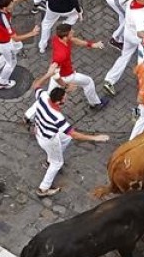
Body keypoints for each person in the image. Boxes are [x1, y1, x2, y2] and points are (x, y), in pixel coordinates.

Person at [30, 63, 109, 197]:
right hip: (49, 139)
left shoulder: (43, 96)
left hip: (41, 131)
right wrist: (96, 138)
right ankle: (43, 188)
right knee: (57, 163)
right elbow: (75, 134)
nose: (66, 99)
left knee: (66, 138)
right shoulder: (57, 117)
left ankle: (51, 158)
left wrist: (49, 74)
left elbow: (36, 85)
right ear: (59, 101)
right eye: (64, 98)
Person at [50, 24, 108, 110]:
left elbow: (74, 40)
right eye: (71, 32)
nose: (73, 31)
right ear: (65, 37)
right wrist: (66, 86)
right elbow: (54, 74)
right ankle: (95, 103)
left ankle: (29, 115)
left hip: (63, 74)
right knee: (88, 82)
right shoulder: (61, 54)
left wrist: (92, 45)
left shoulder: (57, 38)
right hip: (67, 76)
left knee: (48, 96)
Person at [0, 0, 38, 88]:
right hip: (4, 43)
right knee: (11, 62)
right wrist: (32, 33)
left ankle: (1, 61)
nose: (13, 4)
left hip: (4, 40)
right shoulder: (4, 20)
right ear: (4, 8)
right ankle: (2, 82)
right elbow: (15, 38)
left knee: (18, 46)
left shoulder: (2, 6)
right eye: (11, 4)